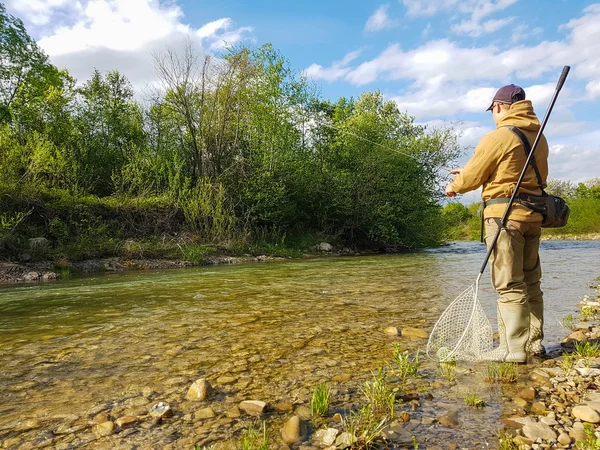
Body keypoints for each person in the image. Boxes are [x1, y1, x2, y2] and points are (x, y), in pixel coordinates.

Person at [445, 84, 548, 363]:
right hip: (532, 218)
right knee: (531, 281)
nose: (493, 114)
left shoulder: (498, 136)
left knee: (509, 284)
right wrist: (468, 171)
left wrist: (455, 185)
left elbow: (472, 178)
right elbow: (511, 171)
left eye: (493, 109)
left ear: (500, 107)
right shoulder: (539, 136)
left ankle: (512, 349)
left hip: (504, 219)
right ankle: (535, 343)